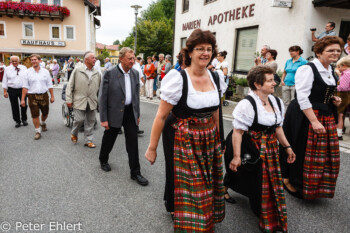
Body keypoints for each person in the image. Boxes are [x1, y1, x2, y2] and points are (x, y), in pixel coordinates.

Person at [145, 29, 226, 232]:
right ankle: (187, 218)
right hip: (182, 136)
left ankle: (204, 216)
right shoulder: (178, 78)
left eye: (209, 49)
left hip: (208, 137)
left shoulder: (216, 78)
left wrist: (219, 138)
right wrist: (152, 148)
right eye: (200, 49)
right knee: (190, 182)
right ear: (190, 52)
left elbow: (216, 111)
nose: (205, 53)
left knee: (207, 178)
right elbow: (161, 116)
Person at [225, 65, 295, 233]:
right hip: (248, 144)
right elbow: (237, 132)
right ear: (257, 84)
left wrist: (287, 147)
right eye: (270, 81)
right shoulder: (246, 104)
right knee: (251, 177)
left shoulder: (277, 101)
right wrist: (236, 156)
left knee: (267, 180)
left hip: (269, 147)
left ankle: (269, 212)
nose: (274, 84)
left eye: (274, 80)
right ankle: (225, 188)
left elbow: (278, 128)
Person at [280, 36, 343, 199]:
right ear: (320, 52)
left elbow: (322, 92)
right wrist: (314, 121)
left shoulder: (330, 69)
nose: (335, 53)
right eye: (331, 50)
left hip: (324, 113)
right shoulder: (307, 69)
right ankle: (289, 179)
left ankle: (313, 184)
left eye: (338, 50)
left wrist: (332, 99)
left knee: (320, 153)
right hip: (304, 114)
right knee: (300, 148)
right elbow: (302, 97)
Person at [98, 47, 148, 186]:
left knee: (132, 143)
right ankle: (103, 159)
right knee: (109, 139)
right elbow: (103, 97)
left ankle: (135, 172)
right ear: (121, 59)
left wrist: (137, 114)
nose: (133, 61)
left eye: (133, 58)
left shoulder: (135, 73)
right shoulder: (109, 73)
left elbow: (136, 97)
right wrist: (103, 119)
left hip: (129, 112)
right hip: (113, 112)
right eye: (129, 58)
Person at [66, 51, 101, 148]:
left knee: (91, 121)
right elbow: (70, 85)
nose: (95, 59)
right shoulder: (77, 70)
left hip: (92, 101)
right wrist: (68, 99)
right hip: (79, 100)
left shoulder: (97, 73)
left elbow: (100, 88)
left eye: (95, 58)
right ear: (86, 60)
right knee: (79, 120)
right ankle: (74, 133)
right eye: (93, 58)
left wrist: (100, 101)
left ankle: (88, 140)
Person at [21, 54, 55, 140]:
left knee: (45, 113)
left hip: (44, 96)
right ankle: (37, 131)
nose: (33, 61)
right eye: (32, 60)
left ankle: (43, 122)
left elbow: (49, 85)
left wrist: (52, 96)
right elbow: (25, 87)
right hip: (32, 96)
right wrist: (22, 99)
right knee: (35, 115)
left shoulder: (46, 72)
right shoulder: (27, 72)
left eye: (35, 59)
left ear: (39, 61)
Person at [2, 56, 28, 128]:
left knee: (24, 104)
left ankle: (24, 119)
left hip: (22, 89)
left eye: (15, 61)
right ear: (10, 62)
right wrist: (5, 91)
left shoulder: (24, 68)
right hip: (11, 89)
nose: (14, 62)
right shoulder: (7, 69)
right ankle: (17, 121)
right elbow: (5, 80)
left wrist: (28, 89)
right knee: (14, 106)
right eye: (12, 61)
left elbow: (27, 79)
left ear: (19, 61)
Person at [335, 57, 350, 140]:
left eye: (339, 67)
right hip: (347, 94)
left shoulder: (346, 73)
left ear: (344, 65)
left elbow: (343, 87)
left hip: (344, 95)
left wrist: (335, 87)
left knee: (339, 114)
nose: (339, 69)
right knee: (341, 114)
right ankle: (339, 133)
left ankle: (338, 133)